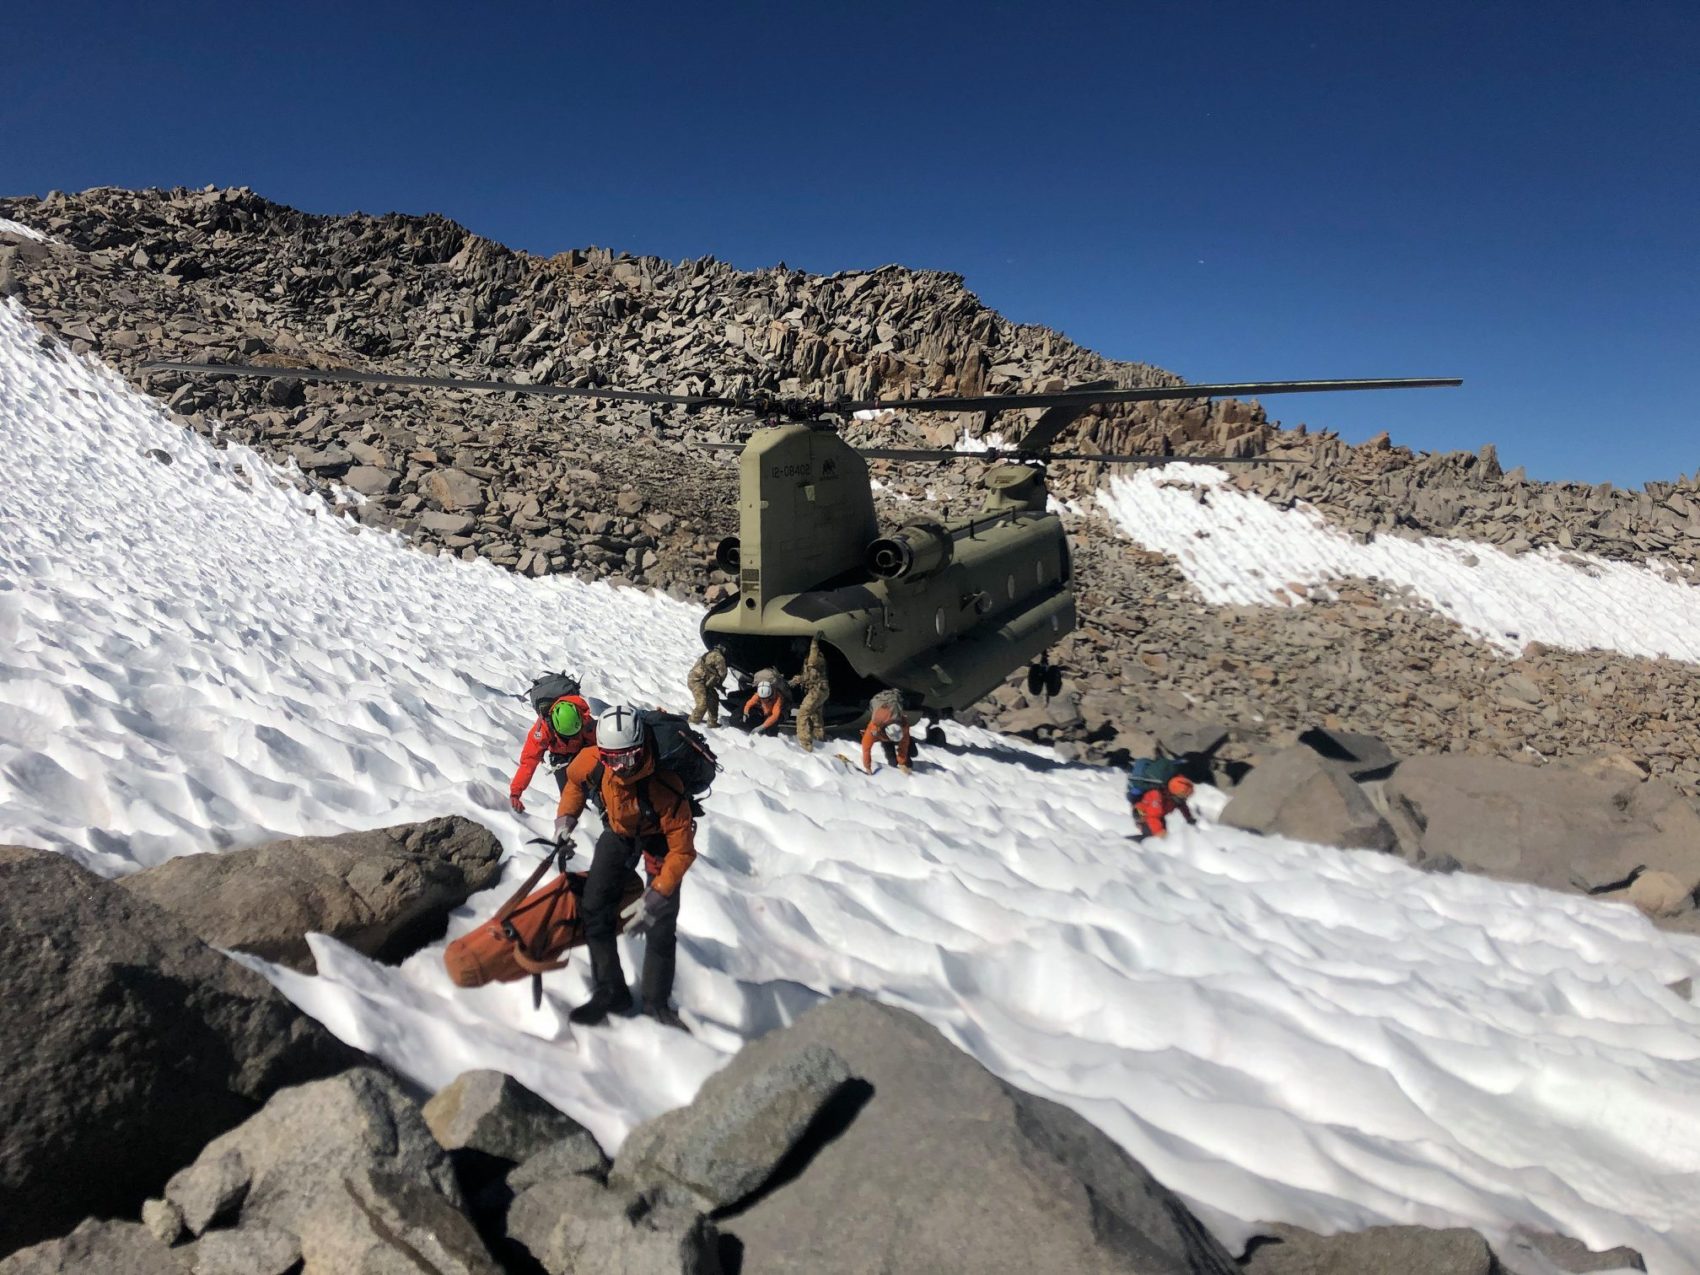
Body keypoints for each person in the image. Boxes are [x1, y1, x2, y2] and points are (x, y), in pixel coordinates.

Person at [553, 703, 696, 1029]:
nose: (618, 767)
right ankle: (611, 988)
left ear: (641, 749)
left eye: (626, 758)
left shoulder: (666, 786)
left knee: (661, 927)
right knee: (593, 905)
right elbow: (574, 782)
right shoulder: (595, 761)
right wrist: (565, 820)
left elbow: (682, 851)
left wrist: (657, 895)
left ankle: (656, 1003)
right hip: (619, 831)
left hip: (659, 839)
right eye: (610, 759)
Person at [510, 692, 595, 813]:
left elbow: (599, 746)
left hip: (583, 750)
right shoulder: (542, 729)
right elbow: (529, 761)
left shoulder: (585, 720)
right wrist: (515, 792)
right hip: (559, 757)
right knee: (569, 796)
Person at [1131, 775, 1197, 842]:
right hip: (1143, 816)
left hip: (1158, 816)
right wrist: (1159, 832)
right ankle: (1128, 842)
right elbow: (1152, 816)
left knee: (1164, 837)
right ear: (1176, 793)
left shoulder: (1175, 798)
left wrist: (1189, 818)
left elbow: (1183, 807)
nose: (1185, 799)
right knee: (1151, 839)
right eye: (1184, 796)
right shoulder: (1157, 796)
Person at [861, 690, 913, 774]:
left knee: (912, 755)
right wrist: (868, 767)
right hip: (883, 736)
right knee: (892, 762)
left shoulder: (903, 727)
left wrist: (902, 763)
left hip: (895, 732)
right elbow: (866, 747)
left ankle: (907, 765)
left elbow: (904, 744)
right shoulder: (874, 727)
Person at [792, 636, 830, 752]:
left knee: (802, 715)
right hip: (819, 691)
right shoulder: (807, 659)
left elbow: (812, 667)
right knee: (816, 716)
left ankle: (805, 745)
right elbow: (810, 675)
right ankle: (820, 739)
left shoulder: (815, 658)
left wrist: (814, 643)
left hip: (816, 691)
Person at [686, 644, 730, 727]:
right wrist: (719, 684)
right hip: (698, 682)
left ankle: (712, 722)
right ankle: (691, 724)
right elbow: (722, 673)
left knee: (713, 698)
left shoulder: (707, 654)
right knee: (702, 704)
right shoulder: (719, 658)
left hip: (697, 680)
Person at [743, 669, 786, 735]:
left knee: (771, 730)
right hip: (766, 712)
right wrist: (745, 713)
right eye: (762, 698)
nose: (764, 700)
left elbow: (775, 715)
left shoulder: (778, 698)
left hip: (779, 712)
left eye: (766, 698)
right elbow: (749, 703)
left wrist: (761, 727)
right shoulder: (759, 694)